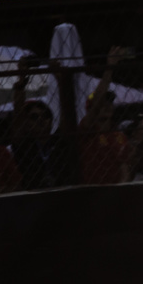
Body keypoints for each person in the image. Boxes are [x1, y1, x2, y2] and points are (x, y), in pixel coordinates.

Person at [10, 59, 79, 190]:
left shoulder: (58, 141)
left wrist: (60, 81)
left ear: (51, 120)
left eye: (46, 115)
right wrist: (21, 80)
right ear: (27, 123)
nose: (40, 119)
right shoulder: (25, 146)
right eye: (34, 117)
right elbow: (18, 117)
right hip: (32, 196)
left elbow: (67, 114)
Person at [77, 46, 131, 184]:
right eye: (102, 104)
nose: (106, 106)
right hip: (93, 191)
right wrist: (110, 68)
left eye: (109, 103)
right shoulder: (88, 130)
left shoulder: (119, 135)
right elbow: (96, 104)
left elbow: (124, 167)